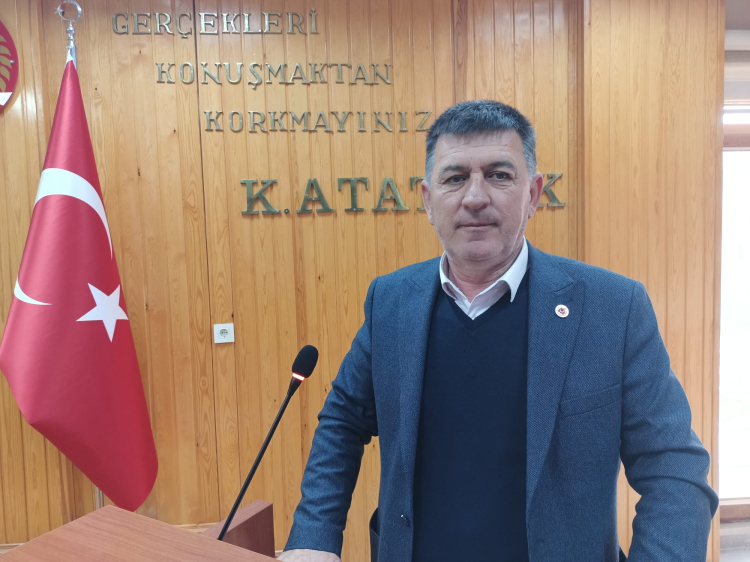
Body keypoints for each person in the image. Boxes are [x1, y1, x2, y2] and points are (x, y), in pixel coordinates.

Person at [277, 100, 718, 562]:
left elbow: (674, 469)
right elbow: (343, 421)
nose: (475, 197)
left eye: (499, 175)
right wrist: (313, 536)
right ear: (427, 200)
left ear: (533, 193)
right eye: (454, 178)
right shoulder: (390, 302)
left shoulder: (613, 308)